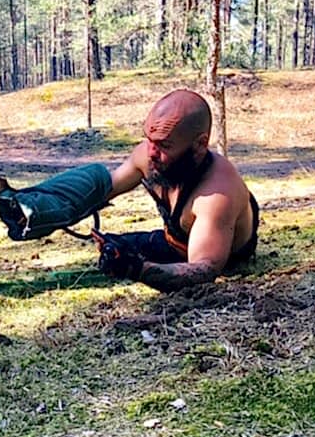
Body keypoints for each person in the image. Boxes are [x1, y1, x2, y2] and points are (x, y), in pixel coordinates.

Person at [93, 88, 259, 292]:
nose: (151, 153)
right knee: (113, 247)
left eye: (164, 145)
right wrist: (63, 205)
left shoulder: (218, 193)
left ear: (200, 144)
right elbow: (105, 188)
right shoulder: (151, 155)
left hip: (219, 254)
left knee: (126, 258)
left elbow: (203, 270)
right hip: (173, 241)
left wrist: (137, 269)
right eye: (149, 139)